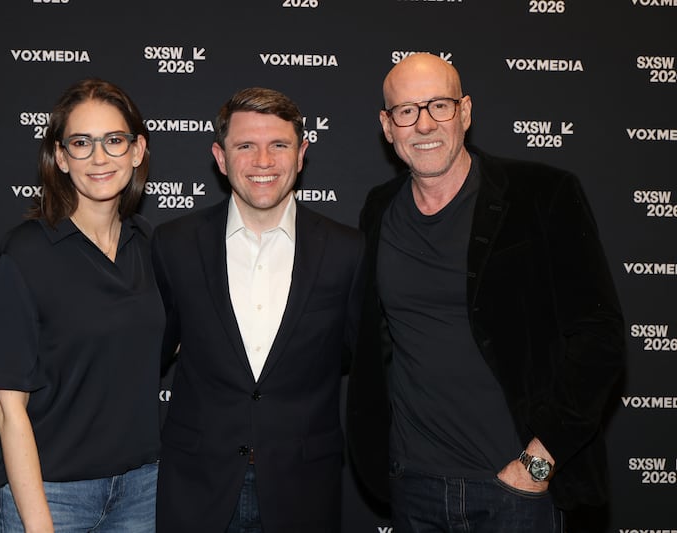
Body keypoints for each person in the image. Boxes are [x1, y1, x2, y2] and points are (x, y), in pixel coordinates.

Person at [346, 53, 625, 532]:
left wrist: (537, 465)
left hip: (517, 494)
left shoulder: (541, 194)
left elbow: (599, 338)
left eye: (440, 105)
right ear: (387, 127)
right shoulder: (379, 209)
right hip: (413, 486)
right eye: (407, 111)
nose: (425, 124)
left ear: (466, 111)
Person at [151, 87, 365, 533]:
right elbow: (155, 349)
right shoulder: (174, 243)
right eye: (245, 146)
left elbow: (354, 355)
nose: (263, 161)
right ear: (220, 156)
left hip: (304, 487)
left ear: (302, 153)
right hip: (197, 486)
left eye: (279, 145)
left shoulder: (348, 250)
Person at [0, 78, 163, 532]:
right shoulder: (25, 253)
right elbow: (8, 407)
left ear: (137, 151)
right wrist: (40, 524)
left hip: (142, 490)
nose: (99, 158)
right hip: (52, 494)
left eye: (114, 141)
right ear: (60, 157)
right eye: (81, 143)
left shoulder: (150, 246)